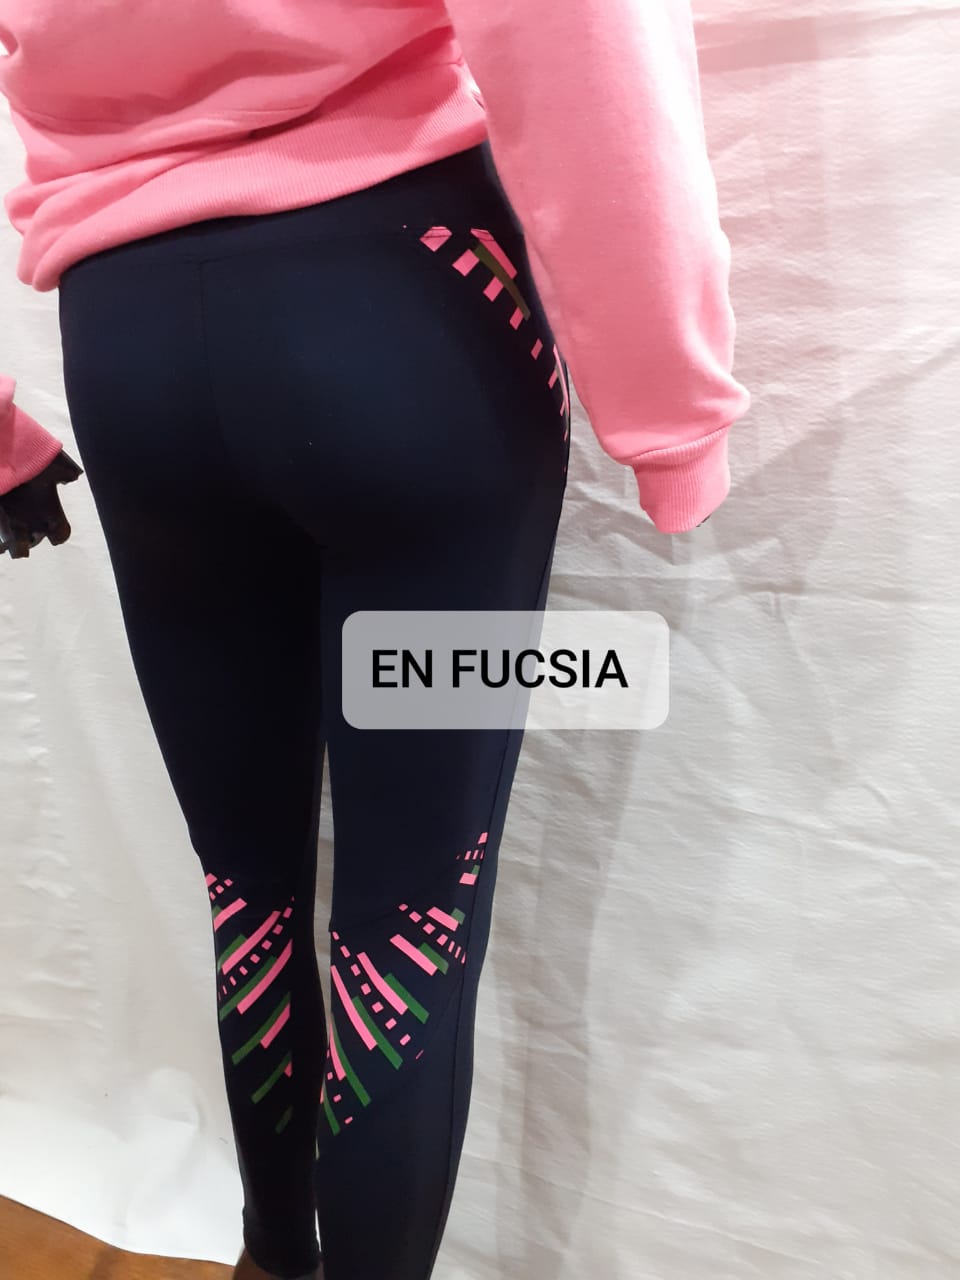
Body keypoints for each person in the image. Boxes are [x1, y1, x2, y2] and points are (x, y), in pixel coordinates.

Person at [0, 2, 752, 1277]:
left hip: (131, 346)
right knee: (410, 926)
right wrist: (670, 413)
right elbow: (578, 31)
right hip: (409, 317)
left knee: (247, 893)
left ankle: (272, 1257)